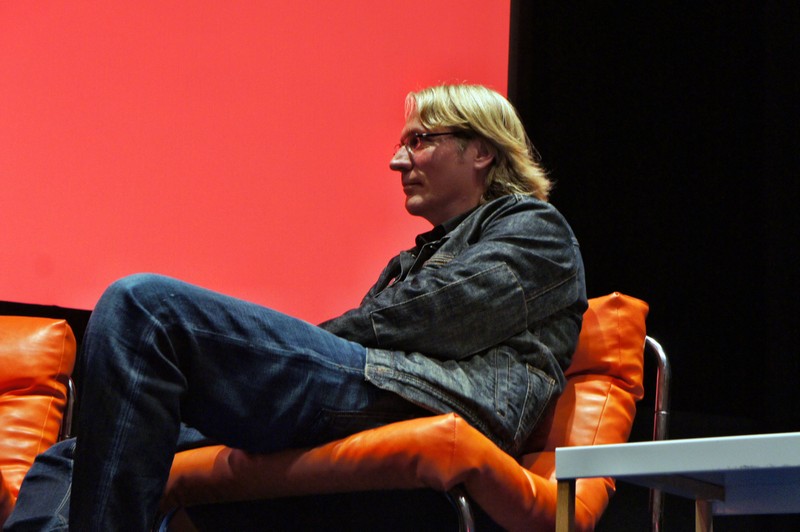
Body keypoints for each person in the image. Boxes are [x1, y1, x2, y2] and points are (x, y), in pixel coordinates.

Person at [5, 84, 587, 531]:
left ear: (480, 150)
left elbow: (433, 316)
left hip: (433, 398)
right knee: (70, 456)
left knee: (144, 309)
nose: (396, 161)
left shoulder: (535, 228)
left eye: (418, 141)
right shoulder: (411, 258)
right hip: (384, 387)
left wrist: (292, 344)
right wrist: (287, 349)